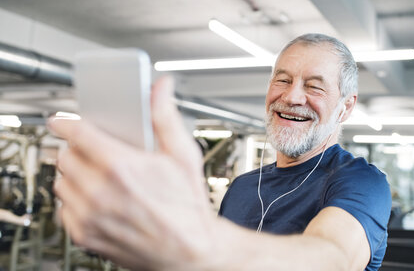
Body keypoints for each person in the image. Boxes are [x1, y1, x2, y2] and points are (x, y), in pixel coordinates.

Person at [49, 33, 391, 271]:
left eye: (314, 86)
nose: (292, 97)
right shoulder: (242, 186)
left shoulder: (361, 181)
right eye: (282, 80)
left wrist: (196, 240)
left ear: (345, 108)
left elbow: (331, 259)